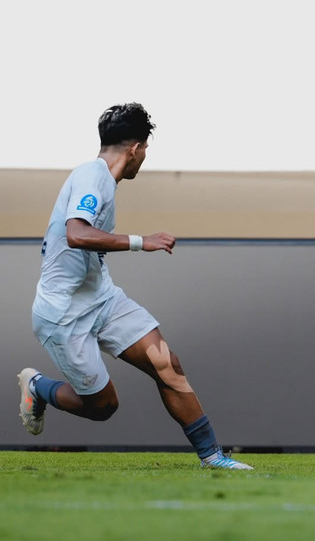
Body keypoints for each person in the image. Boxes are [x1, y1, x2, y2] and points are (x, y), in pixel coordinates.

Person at [18, 102, 252, 470]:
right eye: (145, 152)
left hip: (102, 298)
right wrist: (144, 241)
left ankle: (213, 458)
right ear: (135, 150)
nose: (143, 159)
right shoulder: (91, 175)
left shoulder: (104, 183)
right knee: (103, 407)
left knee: (167, 365)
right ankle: (38, 387)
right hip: (63, 314)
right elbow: (77, 234)